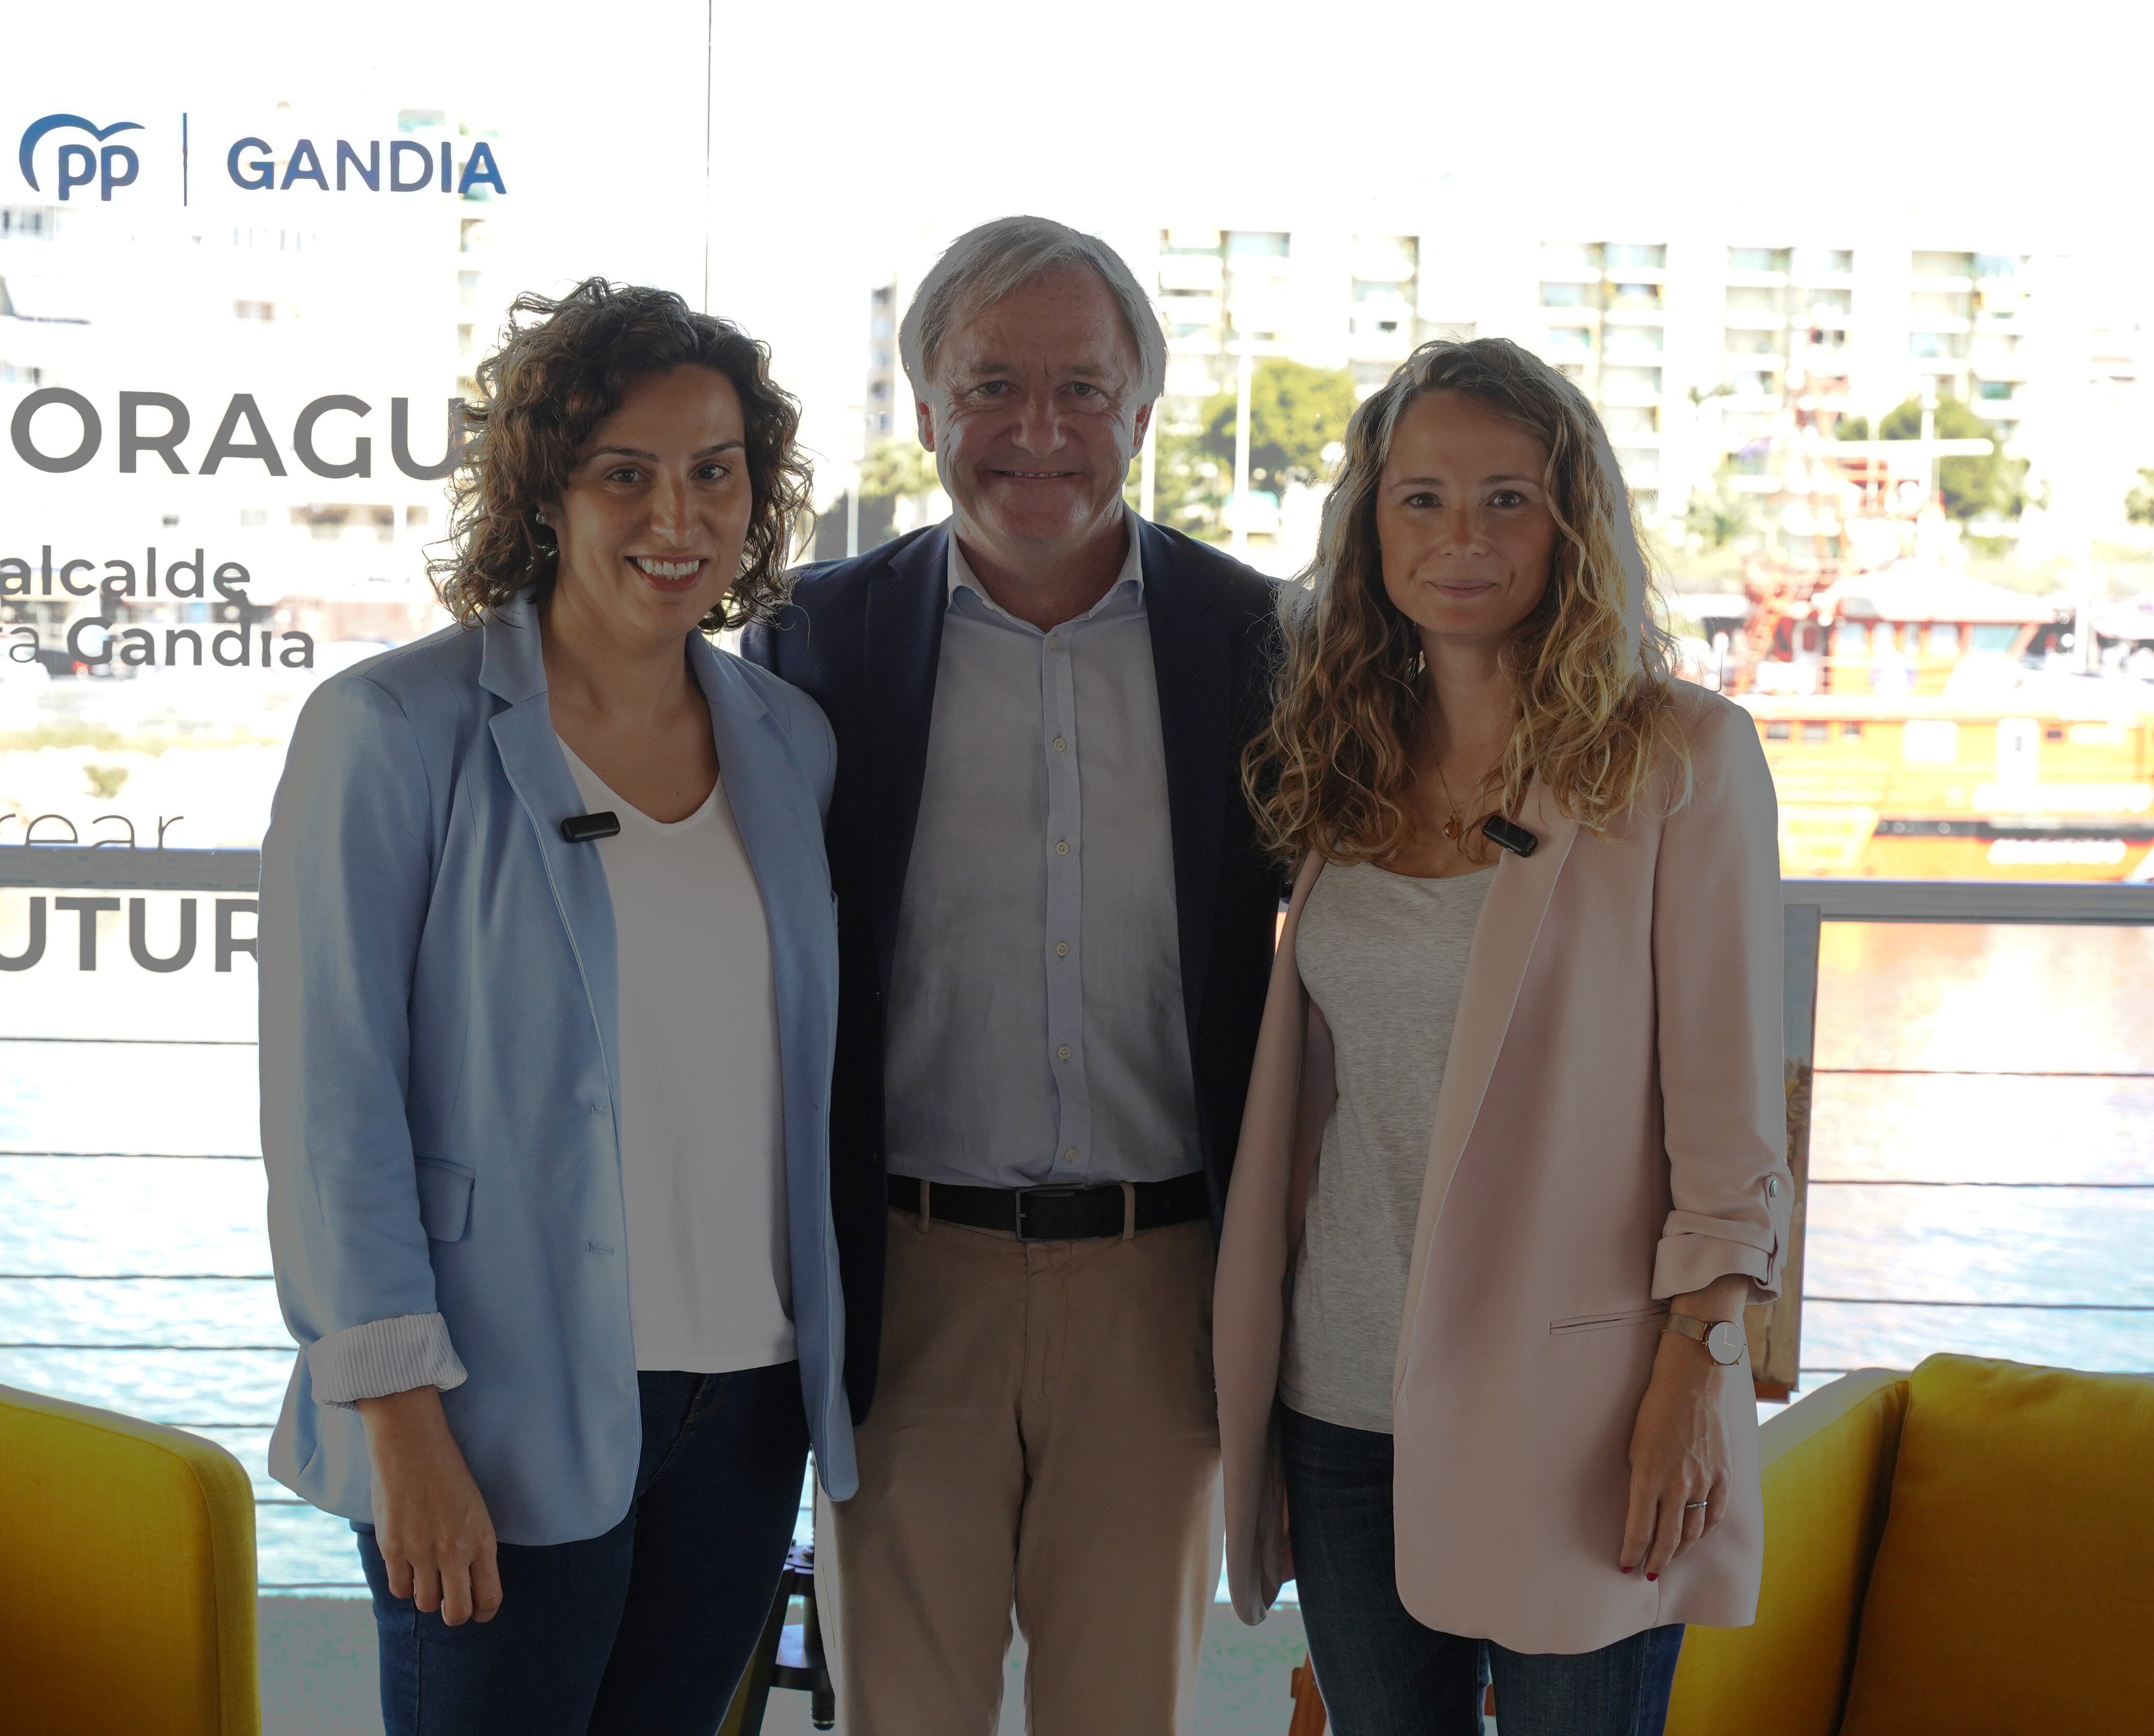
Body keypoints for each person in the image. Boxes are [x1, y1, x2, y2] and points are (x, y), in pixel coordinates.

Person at [259, 279, 854, 1736]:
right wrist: (400, 1425)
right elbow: (332, 1104)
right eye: (626, 474)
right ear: (546, 492)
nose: (678, 515)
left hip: (746, 1410)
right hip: (488, 1409)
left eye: (716, 473)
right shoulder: (394, 729)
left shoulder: (788, 741)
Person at [742, 215, 1282, 1734]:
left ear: (1143, 412)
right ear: (924, 410)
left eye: (1082, 389)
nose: (1036, 431)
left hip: (1162, 1292)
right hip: (904, 1289)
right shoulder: (813, 644)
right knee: (903, 1716)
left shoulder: (1262, 645)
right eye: (991, 386)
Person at [1213, 338, 1791, 1735]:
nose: (1459, 537)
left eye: (1505, 499)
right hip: (1340, 1400)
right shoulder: (1340, 759)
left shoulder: (1681, 760)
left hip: (1579, 1414)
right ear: (1371, 530)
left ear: (1571, 524)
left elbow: (1726, 1125)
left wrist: (1693, 1382)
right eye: (1420, 501)